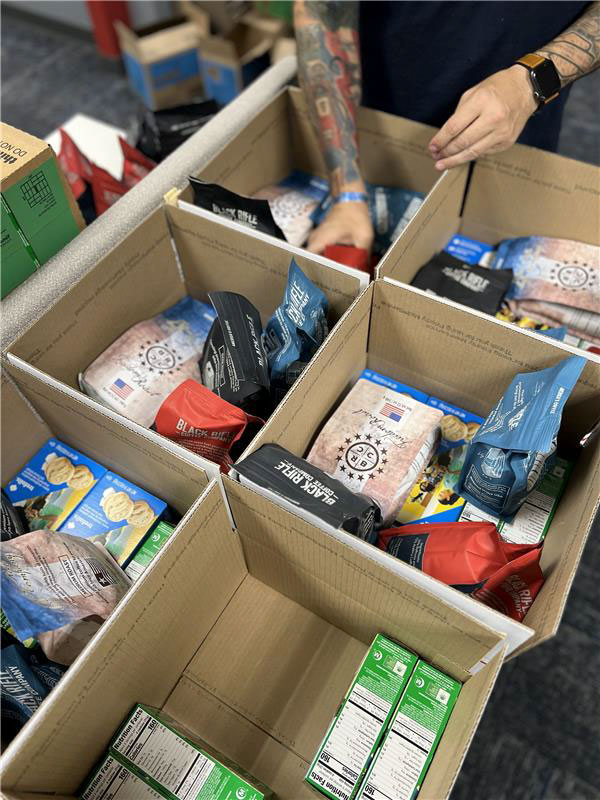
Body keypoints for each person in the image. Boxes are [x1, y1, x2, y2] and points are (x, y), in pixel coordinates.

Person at [294, 1, 600, 253]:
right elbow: (323, 11)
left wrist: (531, 82)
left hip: (520, 136)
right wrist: (347, 193)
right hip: (379, 137)